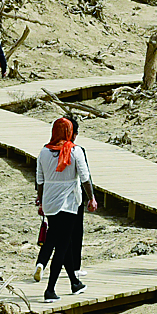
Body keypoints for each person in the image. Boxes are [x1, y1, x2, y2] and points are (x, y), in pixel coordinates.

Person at [36, 117, 95, 301]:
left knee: (60, 240)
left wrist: (40, 198)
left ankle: (74, 283)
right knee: (62, 246)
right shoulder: (75, 151)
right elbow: (85, 178)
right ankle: (50, 290)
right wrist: (91, 197)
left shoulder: (44, 152)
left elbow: (40, 180)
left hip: (50, 202)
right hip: (69, 202)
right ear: (69, 133)